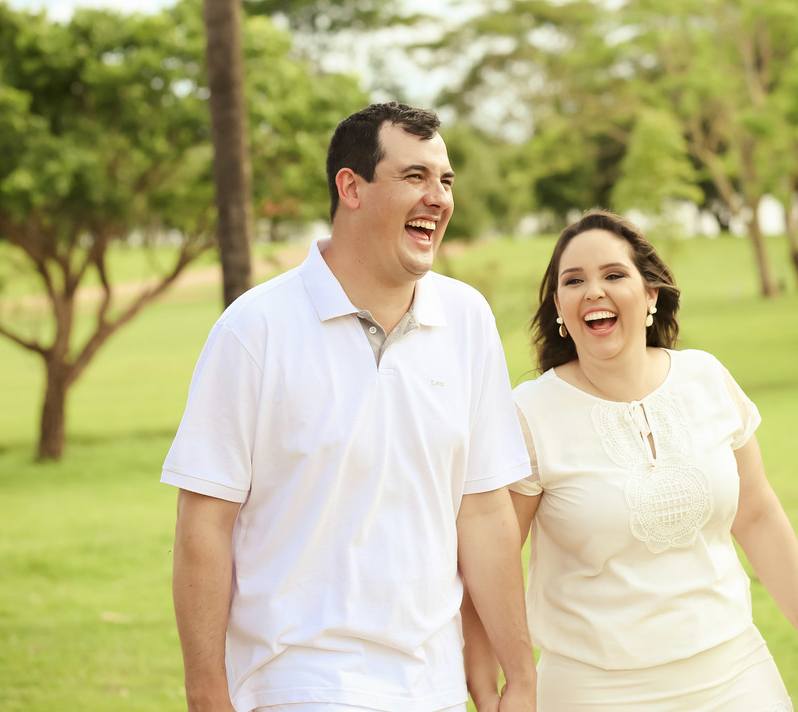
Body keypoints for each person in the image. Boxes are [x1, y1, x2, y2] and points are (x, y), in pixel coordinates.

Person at [162, 102, 536, 712]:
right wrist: (207, 694)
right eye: (414, 177)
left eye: (444, 180)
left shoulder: (467, 319)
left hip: (431, 686)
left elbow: (485, 510)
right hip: (298, 684)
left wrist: (518, 673)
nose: (437, 198)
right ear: (350, 187)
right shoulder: (254, 328)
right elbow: (205, 520)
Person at [464, 211, 798, 712]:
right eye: (574, 281)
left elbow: (758, 514)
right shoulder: (530, 414)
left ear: (651, 295)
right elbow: (489, 561)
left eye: (614, 275)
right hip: (593, 691)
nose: (594, 291)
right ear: (559, 307)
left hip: (736, 672)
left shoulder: (706, 378)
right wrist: (493, 685)